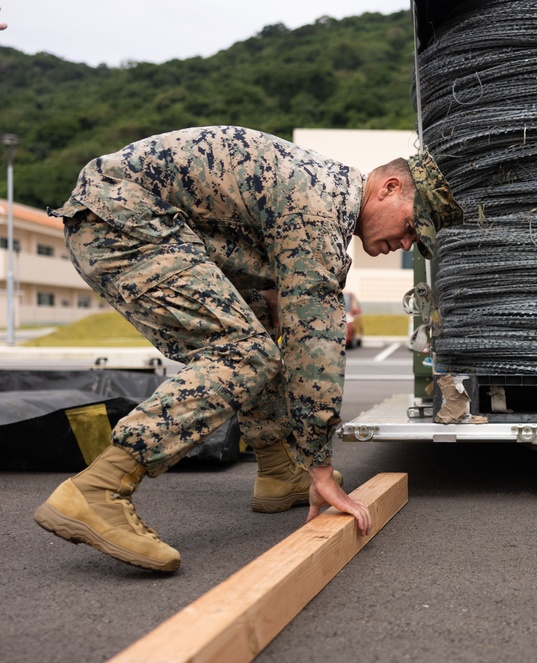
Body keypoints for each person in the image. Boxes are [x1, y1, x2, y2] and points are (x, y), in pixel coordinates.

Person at [32, 126, 462, 573]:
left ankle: (279, 471)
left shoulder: (322, 193)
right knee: (245, 351)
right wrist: (320, 466)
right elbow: (314, 348)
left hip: (138, 219)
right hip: (122, 224)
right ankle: (99, 489)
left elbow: (265, 279)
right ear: (388, 188)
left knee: (260, 322)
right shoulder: (318, 209)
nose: (407, 244)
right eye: (412, 226)